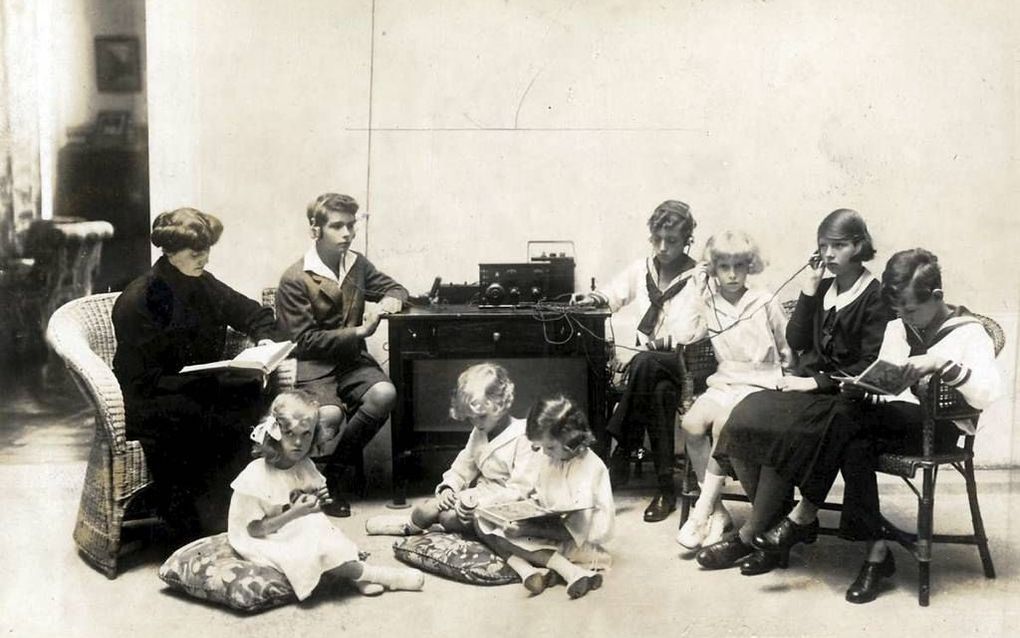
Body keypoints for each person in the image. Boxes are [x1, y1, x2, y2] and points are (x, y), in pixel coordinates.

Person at [697, 209, 893, 575]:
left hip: (846, 398)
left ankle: (753, 533)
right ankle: (772, 526)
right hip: (811, 390)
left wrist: (814, 382)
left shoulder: (874, 296)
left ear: (859, 246)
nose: (829, 254)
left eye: (838, 246)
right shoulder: (824, 287)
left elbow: (870, 364)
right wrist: (809, 289)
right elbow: (797, 340)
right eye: (823, 246)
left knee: (785, 431)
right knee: (746, 415)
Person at [835, 249, 1002, 603]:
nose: (904, 318)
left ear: (937, 296)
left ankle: (809, 513)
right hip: (896, 419)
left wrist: (940, 363)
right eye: (898, 311)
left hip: (940, 428)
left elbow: (987, 394)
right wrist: (869, 387)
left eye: (910, 309)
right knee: (854, 439)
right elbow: (888, 381)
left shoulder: (970, 332)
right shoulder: (899, 327)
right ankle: (876, 551)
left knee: (843, 421)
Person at [112, 207, 281, 541]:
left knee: (247, 394)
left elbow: (254, 313)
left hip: (193, 387)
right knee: (207, 415)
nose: (204, 258)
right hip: (147, 398)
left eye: (207, 250)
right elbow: (143, 379)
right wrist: (207, 382)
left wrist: (263, 339)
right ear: (170, 251)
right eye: (195, 252)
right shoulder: (140, 298)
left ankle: (239, 515)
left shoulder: (203, 283)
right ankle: (200, 527)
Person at [276, 193, 408, 517]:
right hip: (313, 365)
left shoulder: (357, 264)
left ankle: (333, 475)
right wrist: (358, 333)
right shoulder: (295, 278)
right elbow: (304, 340)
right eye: (337, 226)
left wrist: (392, 299)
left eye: (351, 225)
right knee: (329, 417)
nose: (347, 233)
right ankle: (308, 484)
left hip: (352, 362)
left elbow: (396, 289)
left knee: (384, 393)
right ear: (315, 230)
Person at [228, 390, 425, 600]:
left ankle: (357, 575)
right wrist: (295, 513)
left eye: (306, 434)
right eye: (290, 433)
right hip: (260, 537)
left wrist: (318, 502)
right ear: (274, 433)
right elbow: (254, 530)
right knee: (314, 546)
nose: (298, 443)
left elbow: (310, 510)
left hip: (289, 526)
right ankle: (380, 575)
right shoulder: (256, 474)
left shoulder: (304, 465)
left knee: (321, 527)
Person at [574, 200, 700, 522]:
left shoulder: (699, 277)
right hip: (654, 374)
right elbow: (614, 293)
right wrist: (594, 298)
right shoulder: (641, 269)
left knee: (645, 361)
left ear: (687, 239)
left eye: (671, 241)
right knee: (656, 392)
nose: (662, 248)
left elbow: (693, 332)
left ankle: (619, 449)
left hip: (684, 365)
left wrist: (655, 348)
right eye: (657, 239)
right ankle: (665, 491)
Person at [672, 231, 793, 551]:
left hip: (762, 381)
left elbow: (786, 345)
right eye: (723, 266)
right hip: (726, 379)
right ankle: (718, 511)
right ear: (712, 268)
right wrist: (695, 292)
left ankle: (700, 513)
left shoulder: (764, 300)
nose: (731, 274)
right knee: (692, 425)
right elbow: (684, 334)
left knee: (726, 423)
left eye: (739, 266)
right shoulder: (707, 301)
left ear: (749, 266)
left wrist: (787, 377)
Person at [364, 362, 538, 535]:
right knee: (425, 510)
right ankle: (411, 525)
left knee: (448, 518)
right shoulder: (480, 432)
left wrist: (478, 504)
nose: (476, 423)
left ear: (502, 404)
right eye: (471, 418)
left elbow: (519, 491)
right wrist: (449, 488)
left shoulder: (523, 436)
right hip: (478, 495)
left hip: (504, 505)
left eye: (482, 417)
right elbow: (463, 466)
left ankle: (427, 526)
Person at [474, 396, 615, 599]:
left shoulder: (589, 468)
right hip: (552, 527)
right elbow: (538, 496)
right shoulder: (552, 458)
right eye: (540, 447)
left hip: (580, 543)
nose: (545, 453)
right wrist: (511, 512)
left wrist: (528, 528)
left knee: (508, 539)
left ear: (571, 440)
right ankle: (530, 571)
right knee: (483, 523)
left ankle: (569, 570)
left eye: (549, 447)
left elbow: (575, 530)